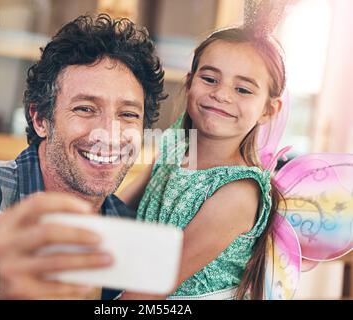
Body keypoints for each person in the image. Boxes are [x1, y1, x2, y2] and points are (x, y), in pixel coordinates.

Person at [0, 13, 166, 299]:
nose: (109, 133)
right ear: (40, 118)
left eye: (128, 114)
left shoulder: (129, 234)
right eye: (85, 109)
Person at [119, 26, 286, 300]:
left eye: (243, 89)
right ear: (189, 82)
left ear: (269, 109)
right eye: (209, 79)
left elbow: (154, 285)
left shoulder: (239, 192)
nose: (222, 94)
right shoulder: (174, 149)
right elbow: (116, 212)